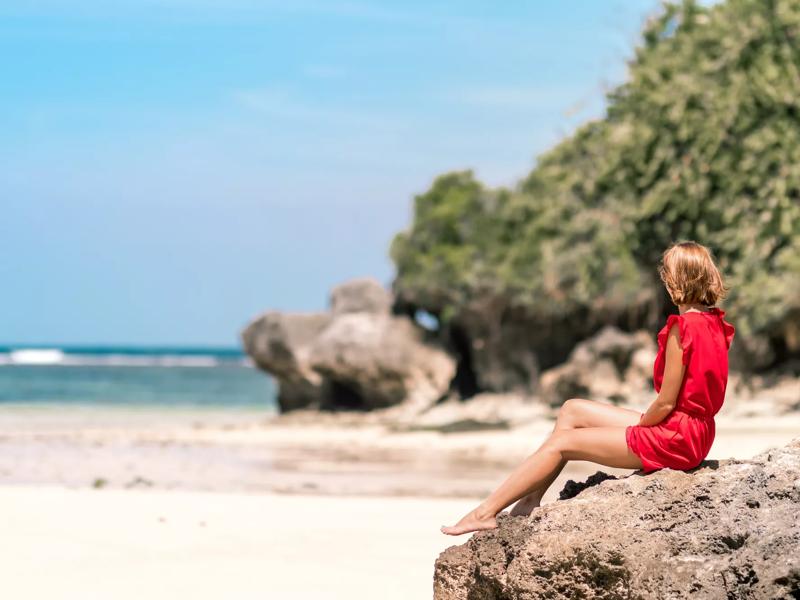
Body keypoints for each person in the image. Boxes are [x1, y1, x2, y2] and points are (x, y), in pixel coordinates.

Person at [441, 240, 736, 536]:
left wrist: (645, 424)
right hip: (694, 431)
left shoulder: (682, 328)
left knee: (562, 444)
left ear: (679, 279)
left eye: (667, 272)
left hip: (675, 437)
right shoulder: (715, 324)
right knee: (572, 410)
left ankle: (484, 512)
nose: (664, 278)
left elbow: (666, 403)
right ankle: (530, 499)